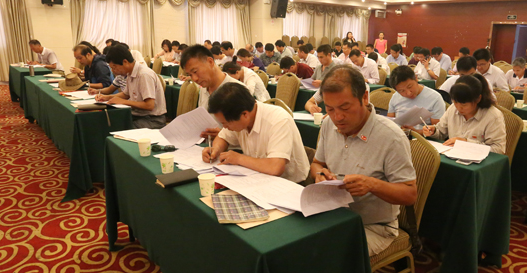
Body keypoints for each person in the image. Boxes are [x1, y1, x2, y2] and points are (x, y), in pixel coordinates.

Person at [309, 66, 417, 256]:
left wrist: (372, 185)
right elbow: (317, 164)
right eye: (330, 109)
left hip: (374, 226)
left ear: (365, 98)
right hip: (333, 215)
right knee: (293, 242)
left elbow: (409, 195)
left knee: (323, 254)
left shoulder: (391, 137)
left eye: (345, 108)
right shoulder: (328, 124)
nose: (337, 117)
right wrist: (319, 174)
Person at [203, 83, 309, 181]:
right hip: (257, 177)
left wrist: (239, 158)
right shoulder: (239, 116)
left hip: (289, 184)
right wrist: (215, 150)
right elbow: (223, 137)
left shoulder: (278, 120)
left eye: (225, 123)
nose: (224, 127)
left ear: (245, 114)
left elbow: (275, 167)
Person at [422, 74, 506, 154]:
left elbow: (498, 149)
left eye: (464, 104)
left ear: (478, 99)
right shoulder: (453, 109)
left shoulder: (493, 116)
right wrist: (433, 131)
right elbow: (441, 132)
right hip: (453, 155)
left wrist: (466, 143)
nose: (459, 108)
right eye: (455, 102)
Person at [181, 45, 245, 139]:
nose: (194, 79)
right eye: (190, 75)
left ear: (210, 62)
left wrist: (224, 135)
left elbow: (248, 134)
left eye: (195, 71)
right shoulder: (204, 88)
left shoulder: (237, 90)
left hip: (230, 147)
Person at [96, 45, 166, 129]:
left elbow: (149, 105)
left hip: (152, 119)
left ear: (125, 62)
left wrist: (123, 102)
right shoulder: (130, 73)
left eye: (114, 67)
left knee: (118, 128)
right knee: (108, 121)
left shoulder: (144, 75)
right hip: (138, 115)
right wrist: (107, 97)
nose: (113, 71)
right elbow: (126, 94)